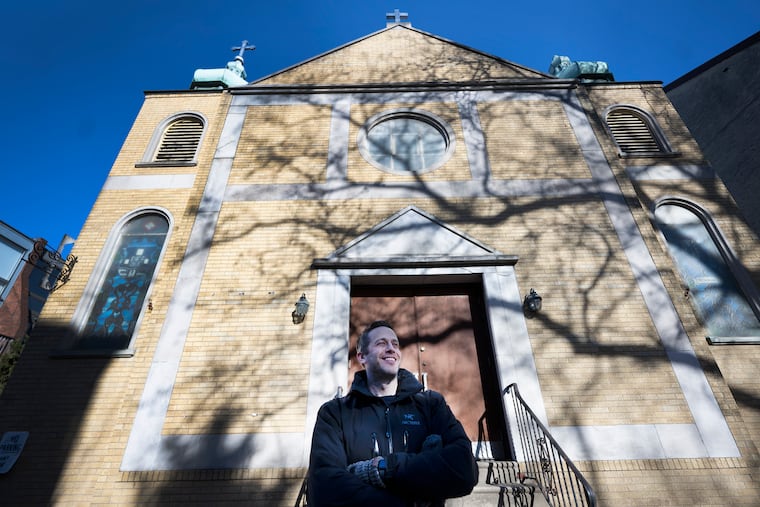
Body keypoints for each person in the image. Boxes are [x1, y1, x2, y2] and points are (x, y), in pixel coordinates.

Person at [308, 320, 478, 506]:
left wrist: (383, 469)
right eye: (381, 343)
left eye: (395, 344)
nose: (391, 348)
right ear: (362, 356)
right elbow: (325, 489)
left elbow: (465, 470)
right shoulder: (335, 413)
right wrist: (417, 488)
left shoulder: (431, 405)